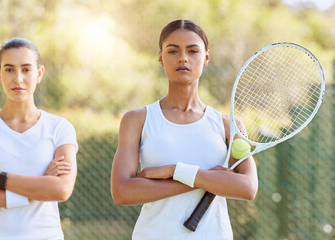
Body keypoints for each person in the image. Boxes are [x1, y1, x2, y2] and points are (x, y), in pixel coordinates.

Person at [110, 19, 258, 239]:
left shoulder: (230, 126)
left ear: (206, 57)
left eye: (192, 50)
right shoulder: (137, 120)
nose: (182, 58)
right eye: (173, 50)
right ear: (160, 57)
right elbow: (122, 192)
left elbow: (247, 188)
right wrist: (205, 178)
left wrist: (174, 171)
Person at [0, 38, 78, 240]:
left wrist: (1, 179)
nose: (18, 78)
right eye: (9, 69)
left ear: (39, 73)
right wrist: (41, 187)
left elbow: (61, 190)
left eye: (26, 69)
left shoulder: (60, 128)